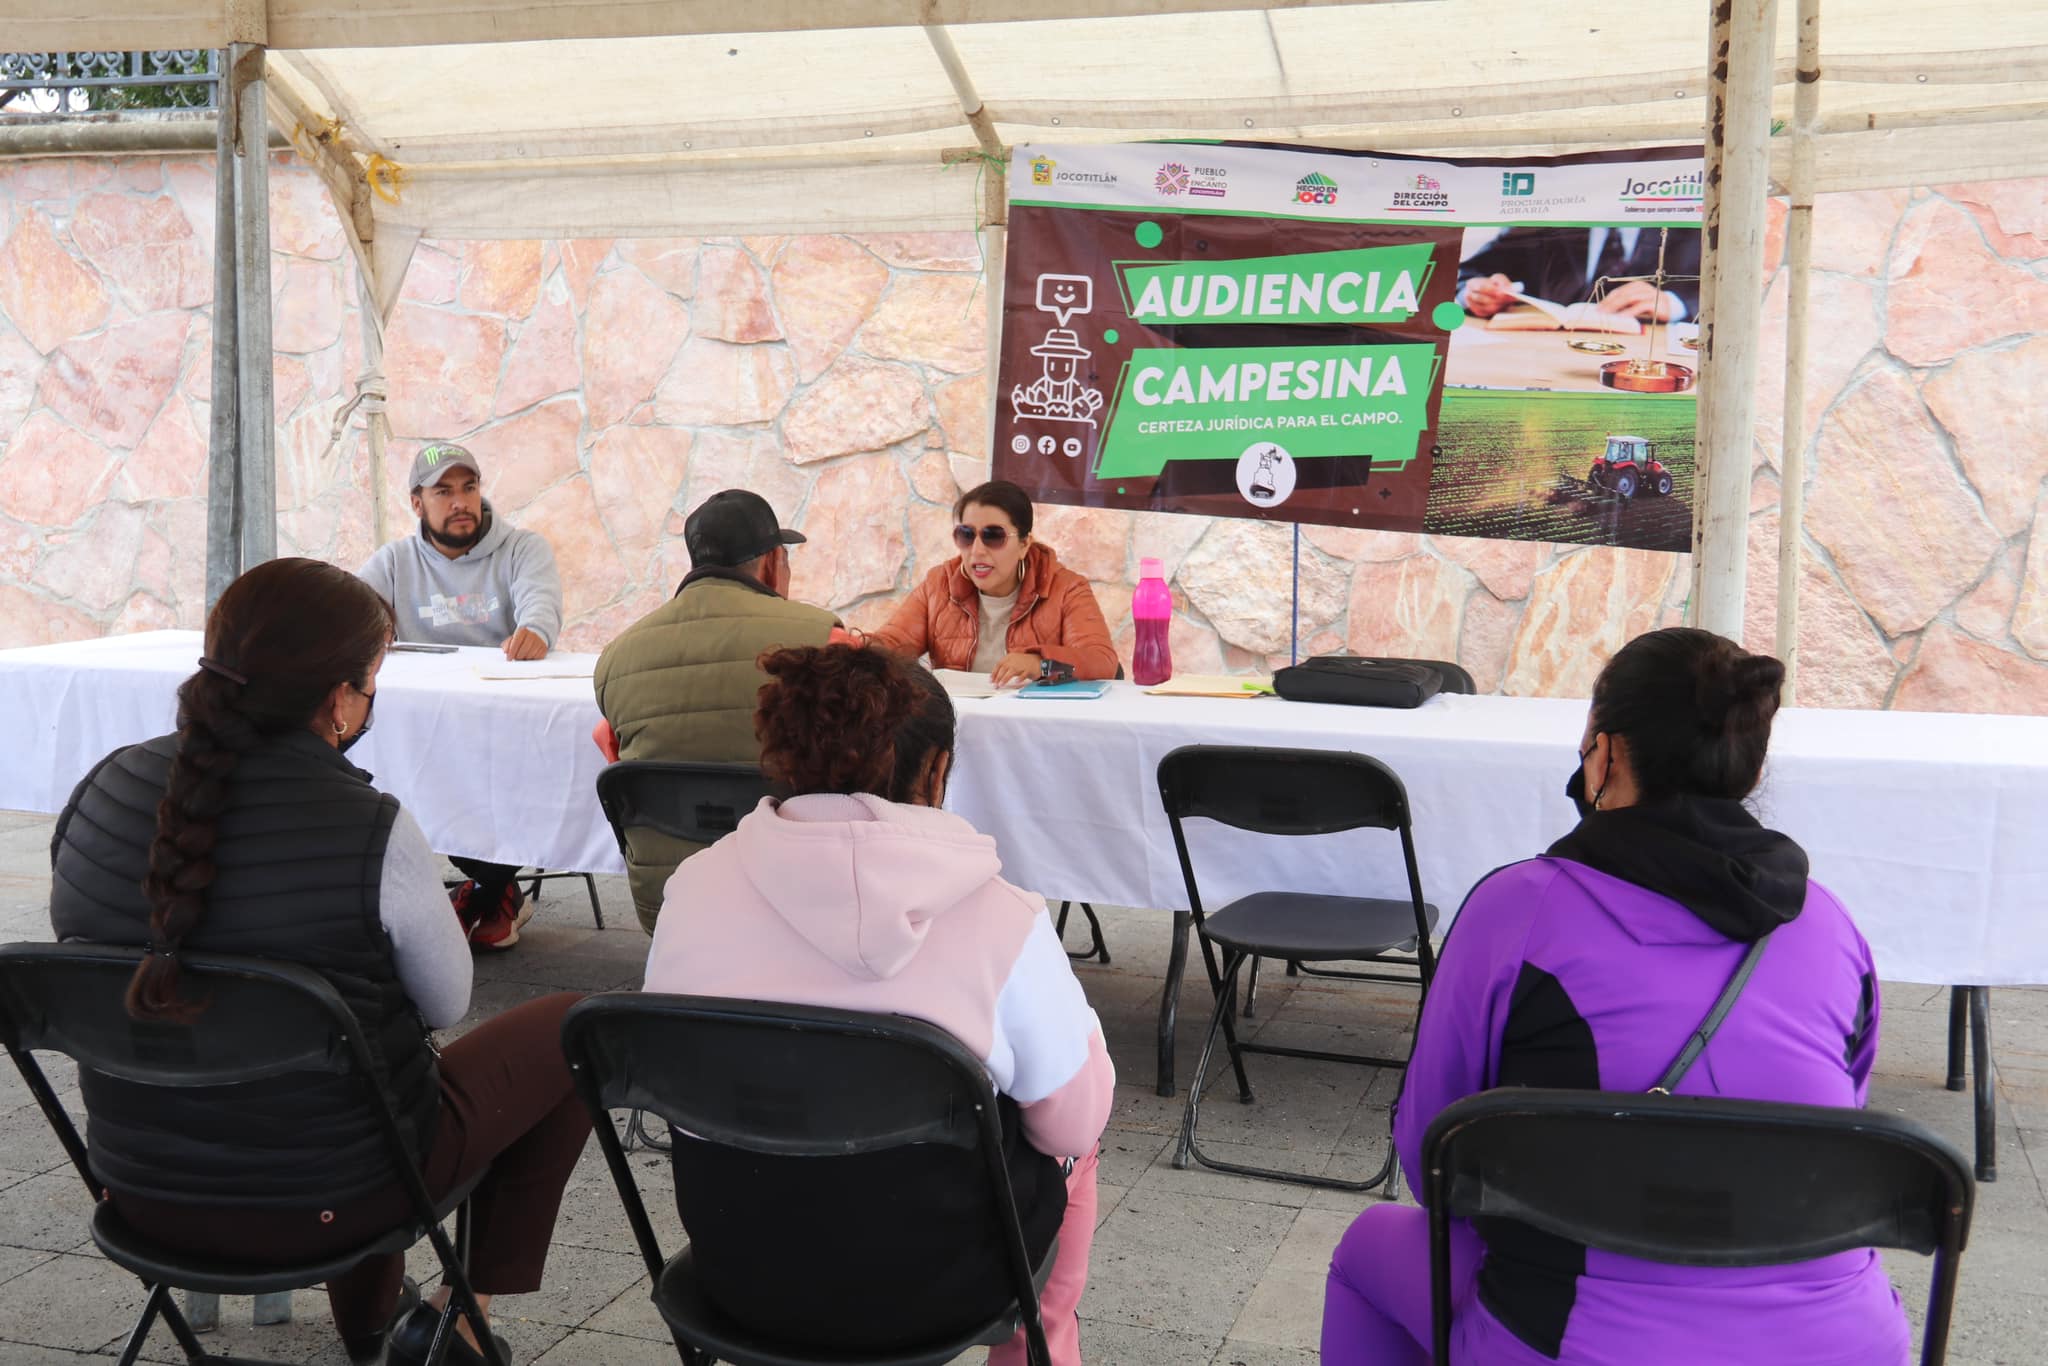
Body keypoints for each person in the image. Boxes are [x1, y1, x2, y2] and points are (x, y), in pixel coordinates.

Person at [47, 558, 591, 1366]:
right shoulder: (370, 828)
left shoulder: (100, 792)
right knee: (567, 1027)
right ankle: (455, 1321)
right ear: (338, 699)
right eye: (372, 683)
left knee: (349, 1076)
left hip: (140, 1193)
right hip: (331, 1202)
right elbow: (447, 1000)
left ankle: (378, 1333)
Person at [1321, 627, 1905, 1366]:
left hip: (1575, 1338)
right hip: (1842, 1342)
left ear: (1606, 751)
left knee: (1370, 1247)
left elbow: (1433, 1159)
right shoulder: (1828, 922)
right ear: (1748, 769)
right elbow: (1839, 1122)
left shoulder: (1519, 911)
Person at [643, 644, 1114, 1365]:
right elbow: (1069, 1125)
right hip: (942, 1288)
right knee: (1074, 1142)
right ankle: (1039, 1349)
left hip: (741, 1274)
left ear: (787, 756)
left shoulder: (694, 887)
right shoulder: (1002, 916)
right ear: (938, 768)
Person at [592, 488, 838, 932]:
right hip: (800, 899)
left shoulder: (615, 658)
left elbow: (612, 752)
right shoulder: (827, 642)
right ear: (770, 563)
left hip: (670, 902)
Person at [358, 441, 564, 949]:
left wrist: (536, 629)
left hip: (503, 726)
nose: (460, 502)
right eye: (443, 491)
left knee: (493, 777)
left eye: (468, 488)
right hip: (424, 727)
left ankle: (488, 888)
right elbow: (350, 612)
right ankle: (492, 889)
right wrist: (364, 631)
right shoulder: (394, 561)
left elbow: (542, 604)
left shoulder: (523, 548)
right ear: (417, 502)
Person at [870, 479, 1118, 685]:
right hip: (960, 727)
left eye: (993, 536)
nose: (977, 550)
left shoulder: (1066, 588)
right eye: (966, 535)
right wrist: (851, 647)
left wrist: (1038, 663)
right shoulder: (939, 584)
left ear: (1024, 544)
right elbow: (891, 645)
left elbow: (1102, 661)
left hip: (1038, 729)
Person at [1458, 225, 1702, 323]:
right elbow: (1465, 275)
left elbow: (1735, 299)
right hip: (1544, 360)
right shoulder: (1547, 217)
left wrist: (1678, 304)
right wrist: (1476, 292)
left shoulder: (1698, 221)